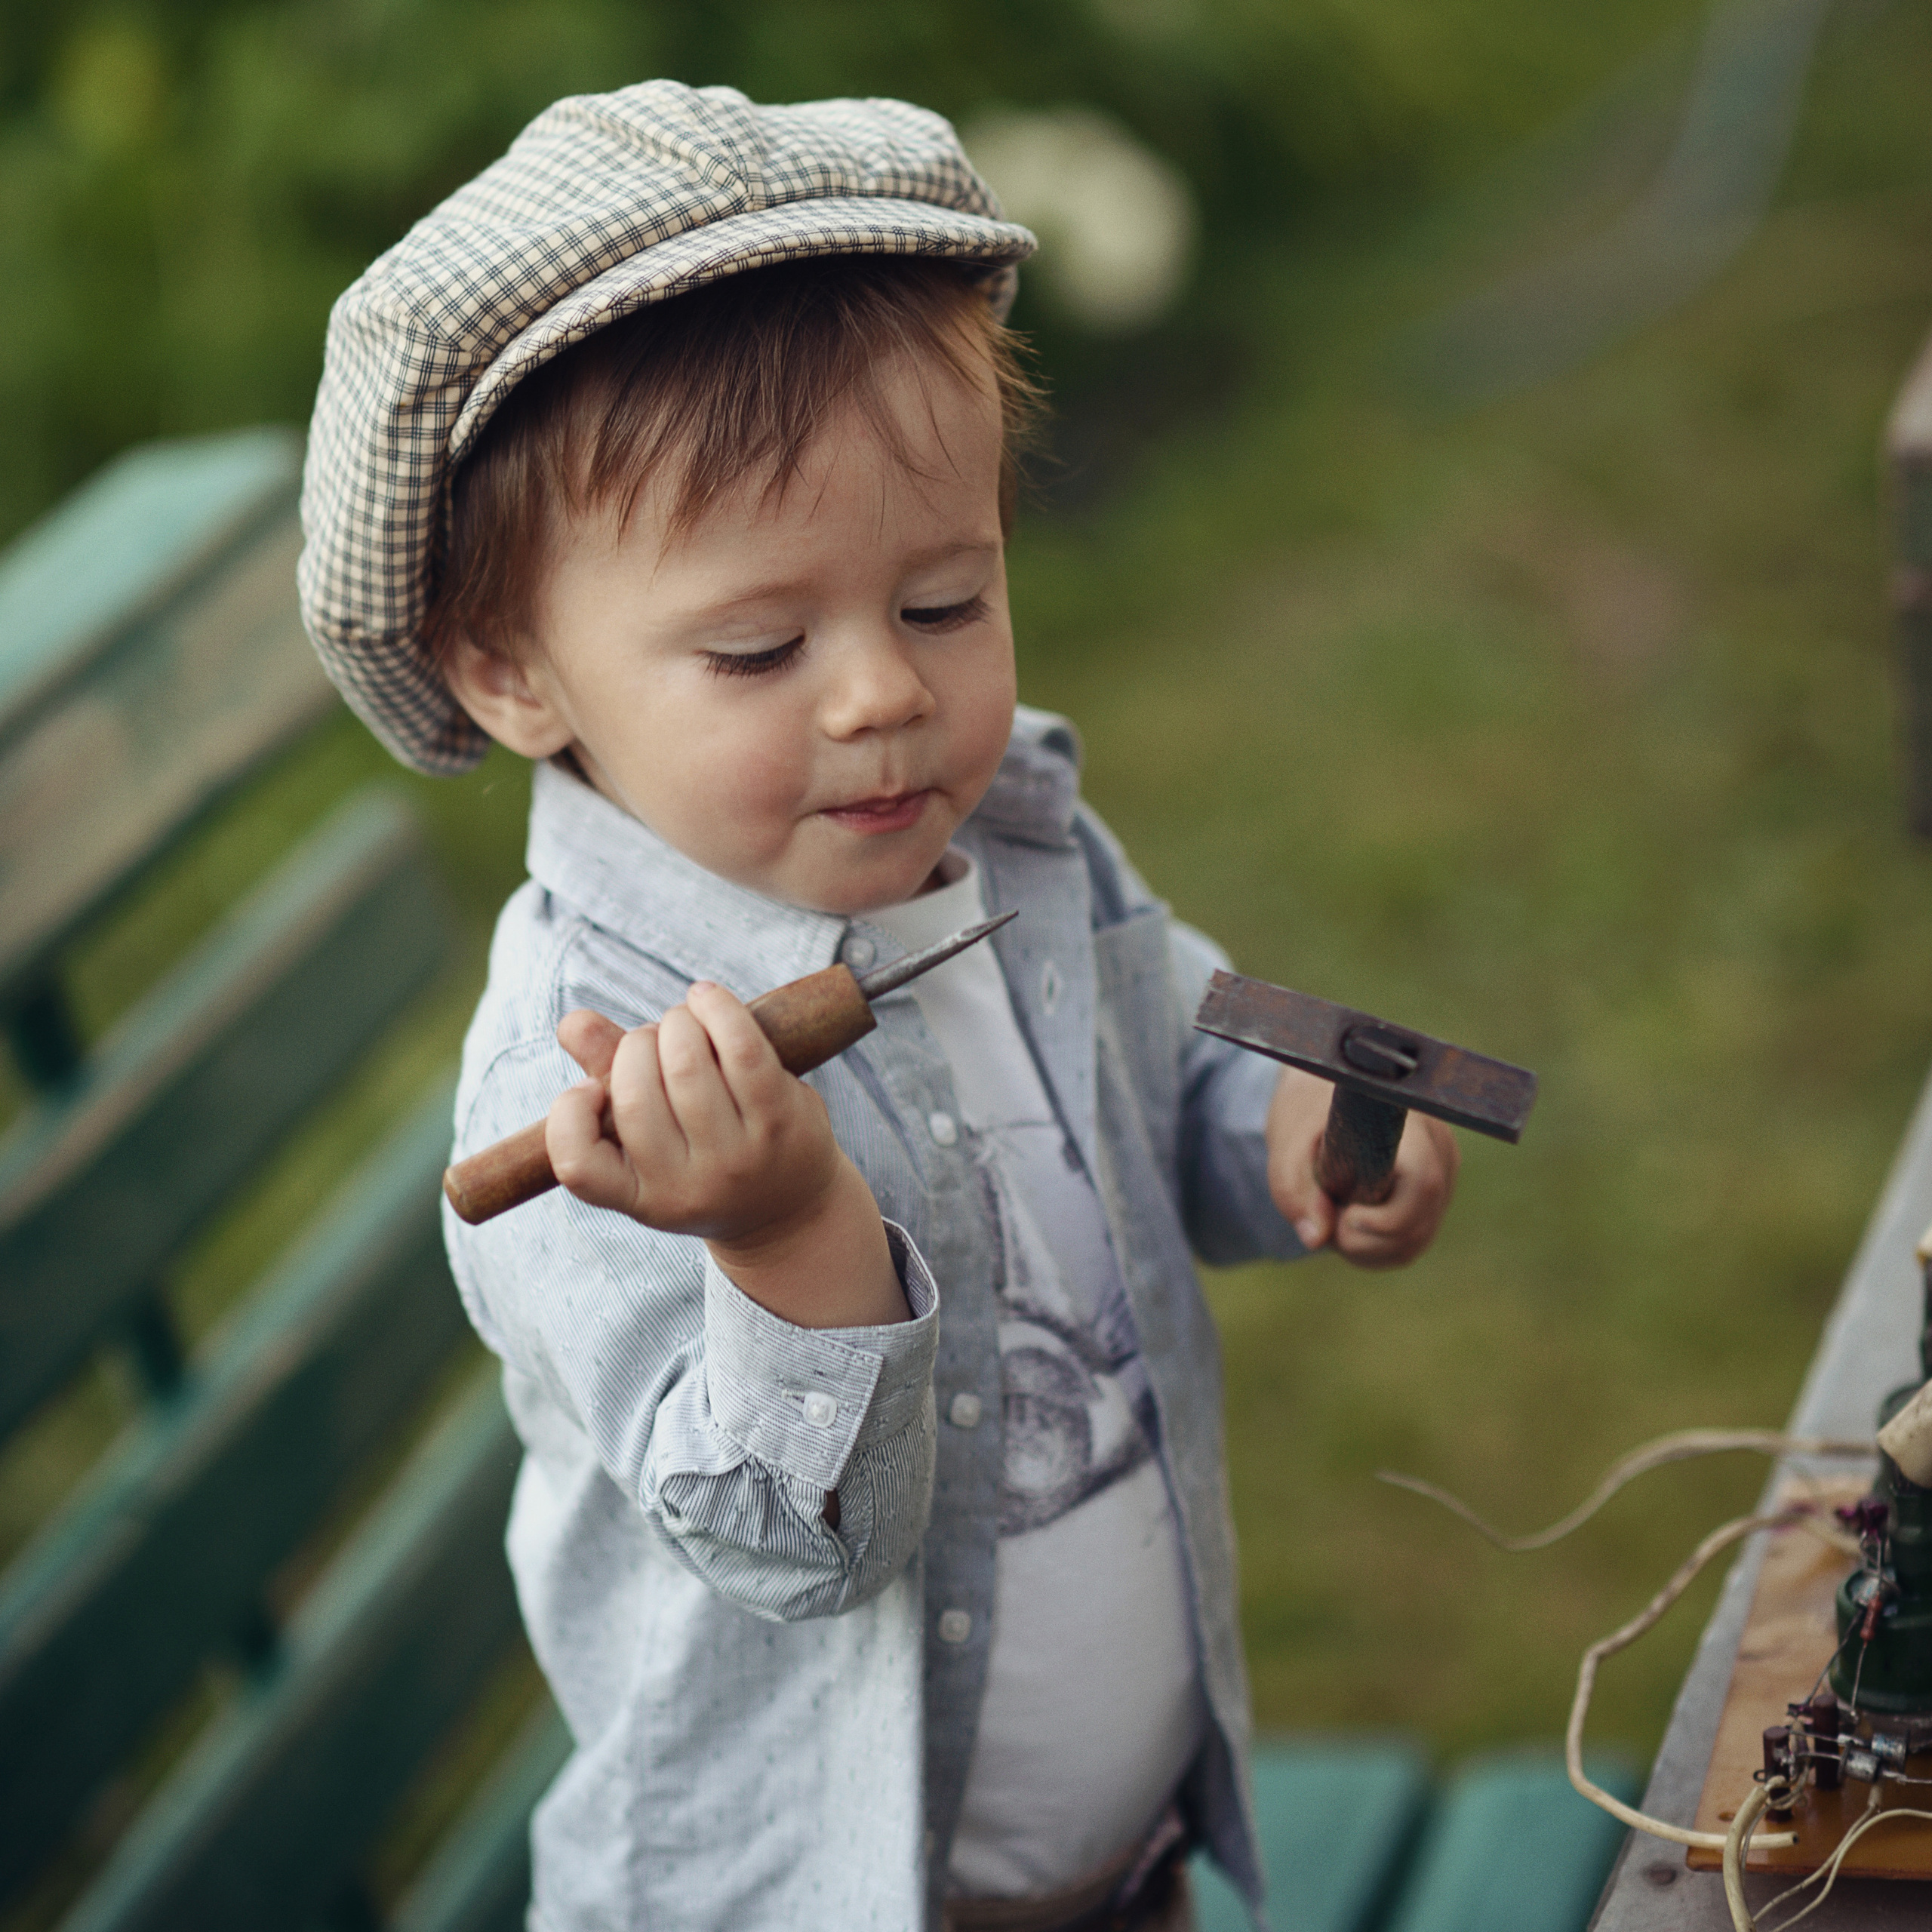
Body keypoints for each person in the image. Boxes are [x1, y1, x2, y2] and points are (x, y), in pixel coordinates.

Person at [297, 80, 1458, 1932]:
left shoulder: (1019, 849)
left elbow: (1169, 1071)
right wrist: (783, 1240)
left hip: (1120, 1877)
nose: (879, 697)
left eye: (942, 601)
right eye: (760, 646)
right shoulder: (581, 1084)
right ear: (512, 669)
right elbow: (784, 1542)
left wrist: (1292, 1131)